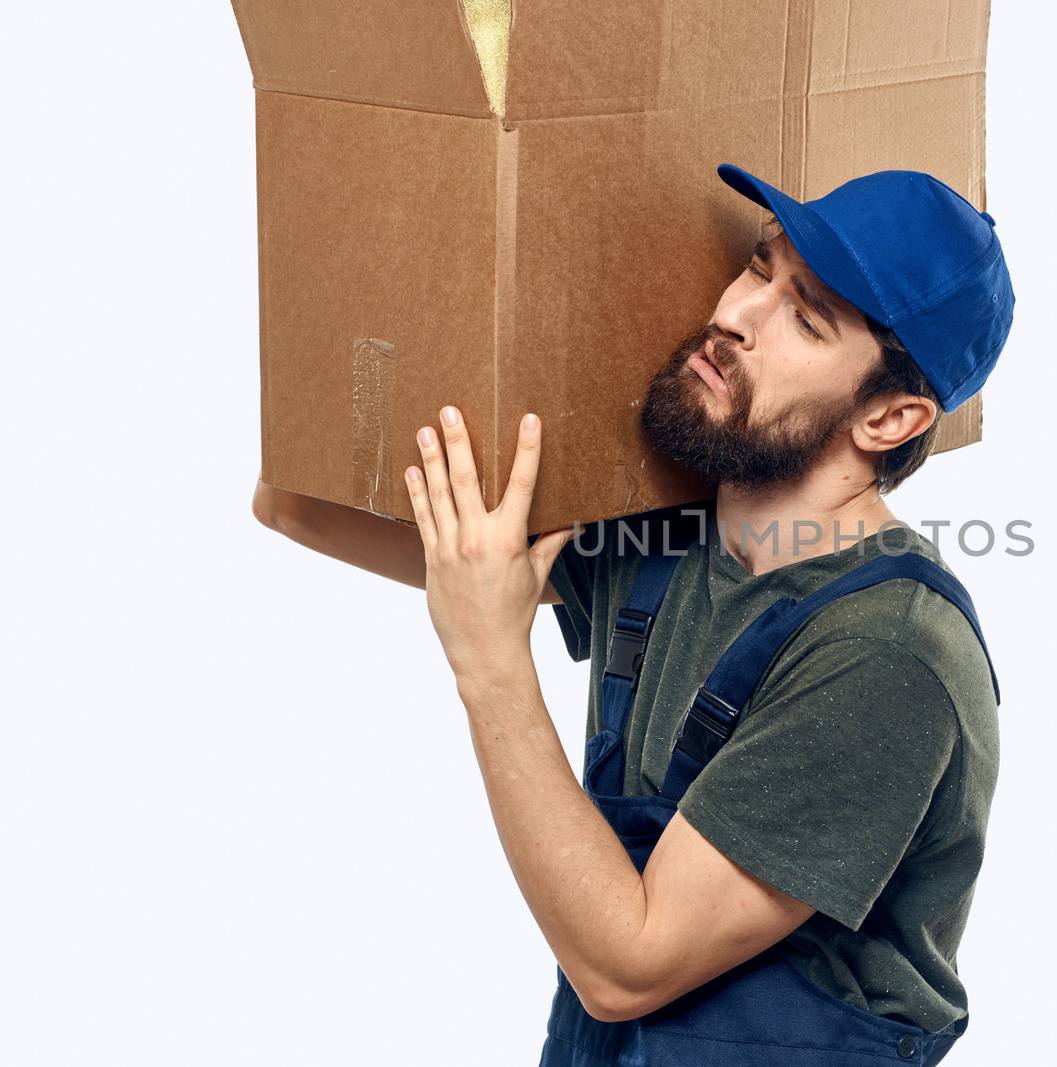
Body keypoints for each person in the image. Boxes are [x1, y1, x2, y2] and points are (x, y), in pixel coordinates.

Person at [253, 163, 1014, 1066]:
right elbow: (294, 504)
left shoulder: (885, 653)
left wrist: (491, 663)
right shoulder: (668, 540)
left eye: (805, 320)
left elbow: (628, 964)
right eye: (759, 268)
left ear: (891, 417)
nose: (736, 314)